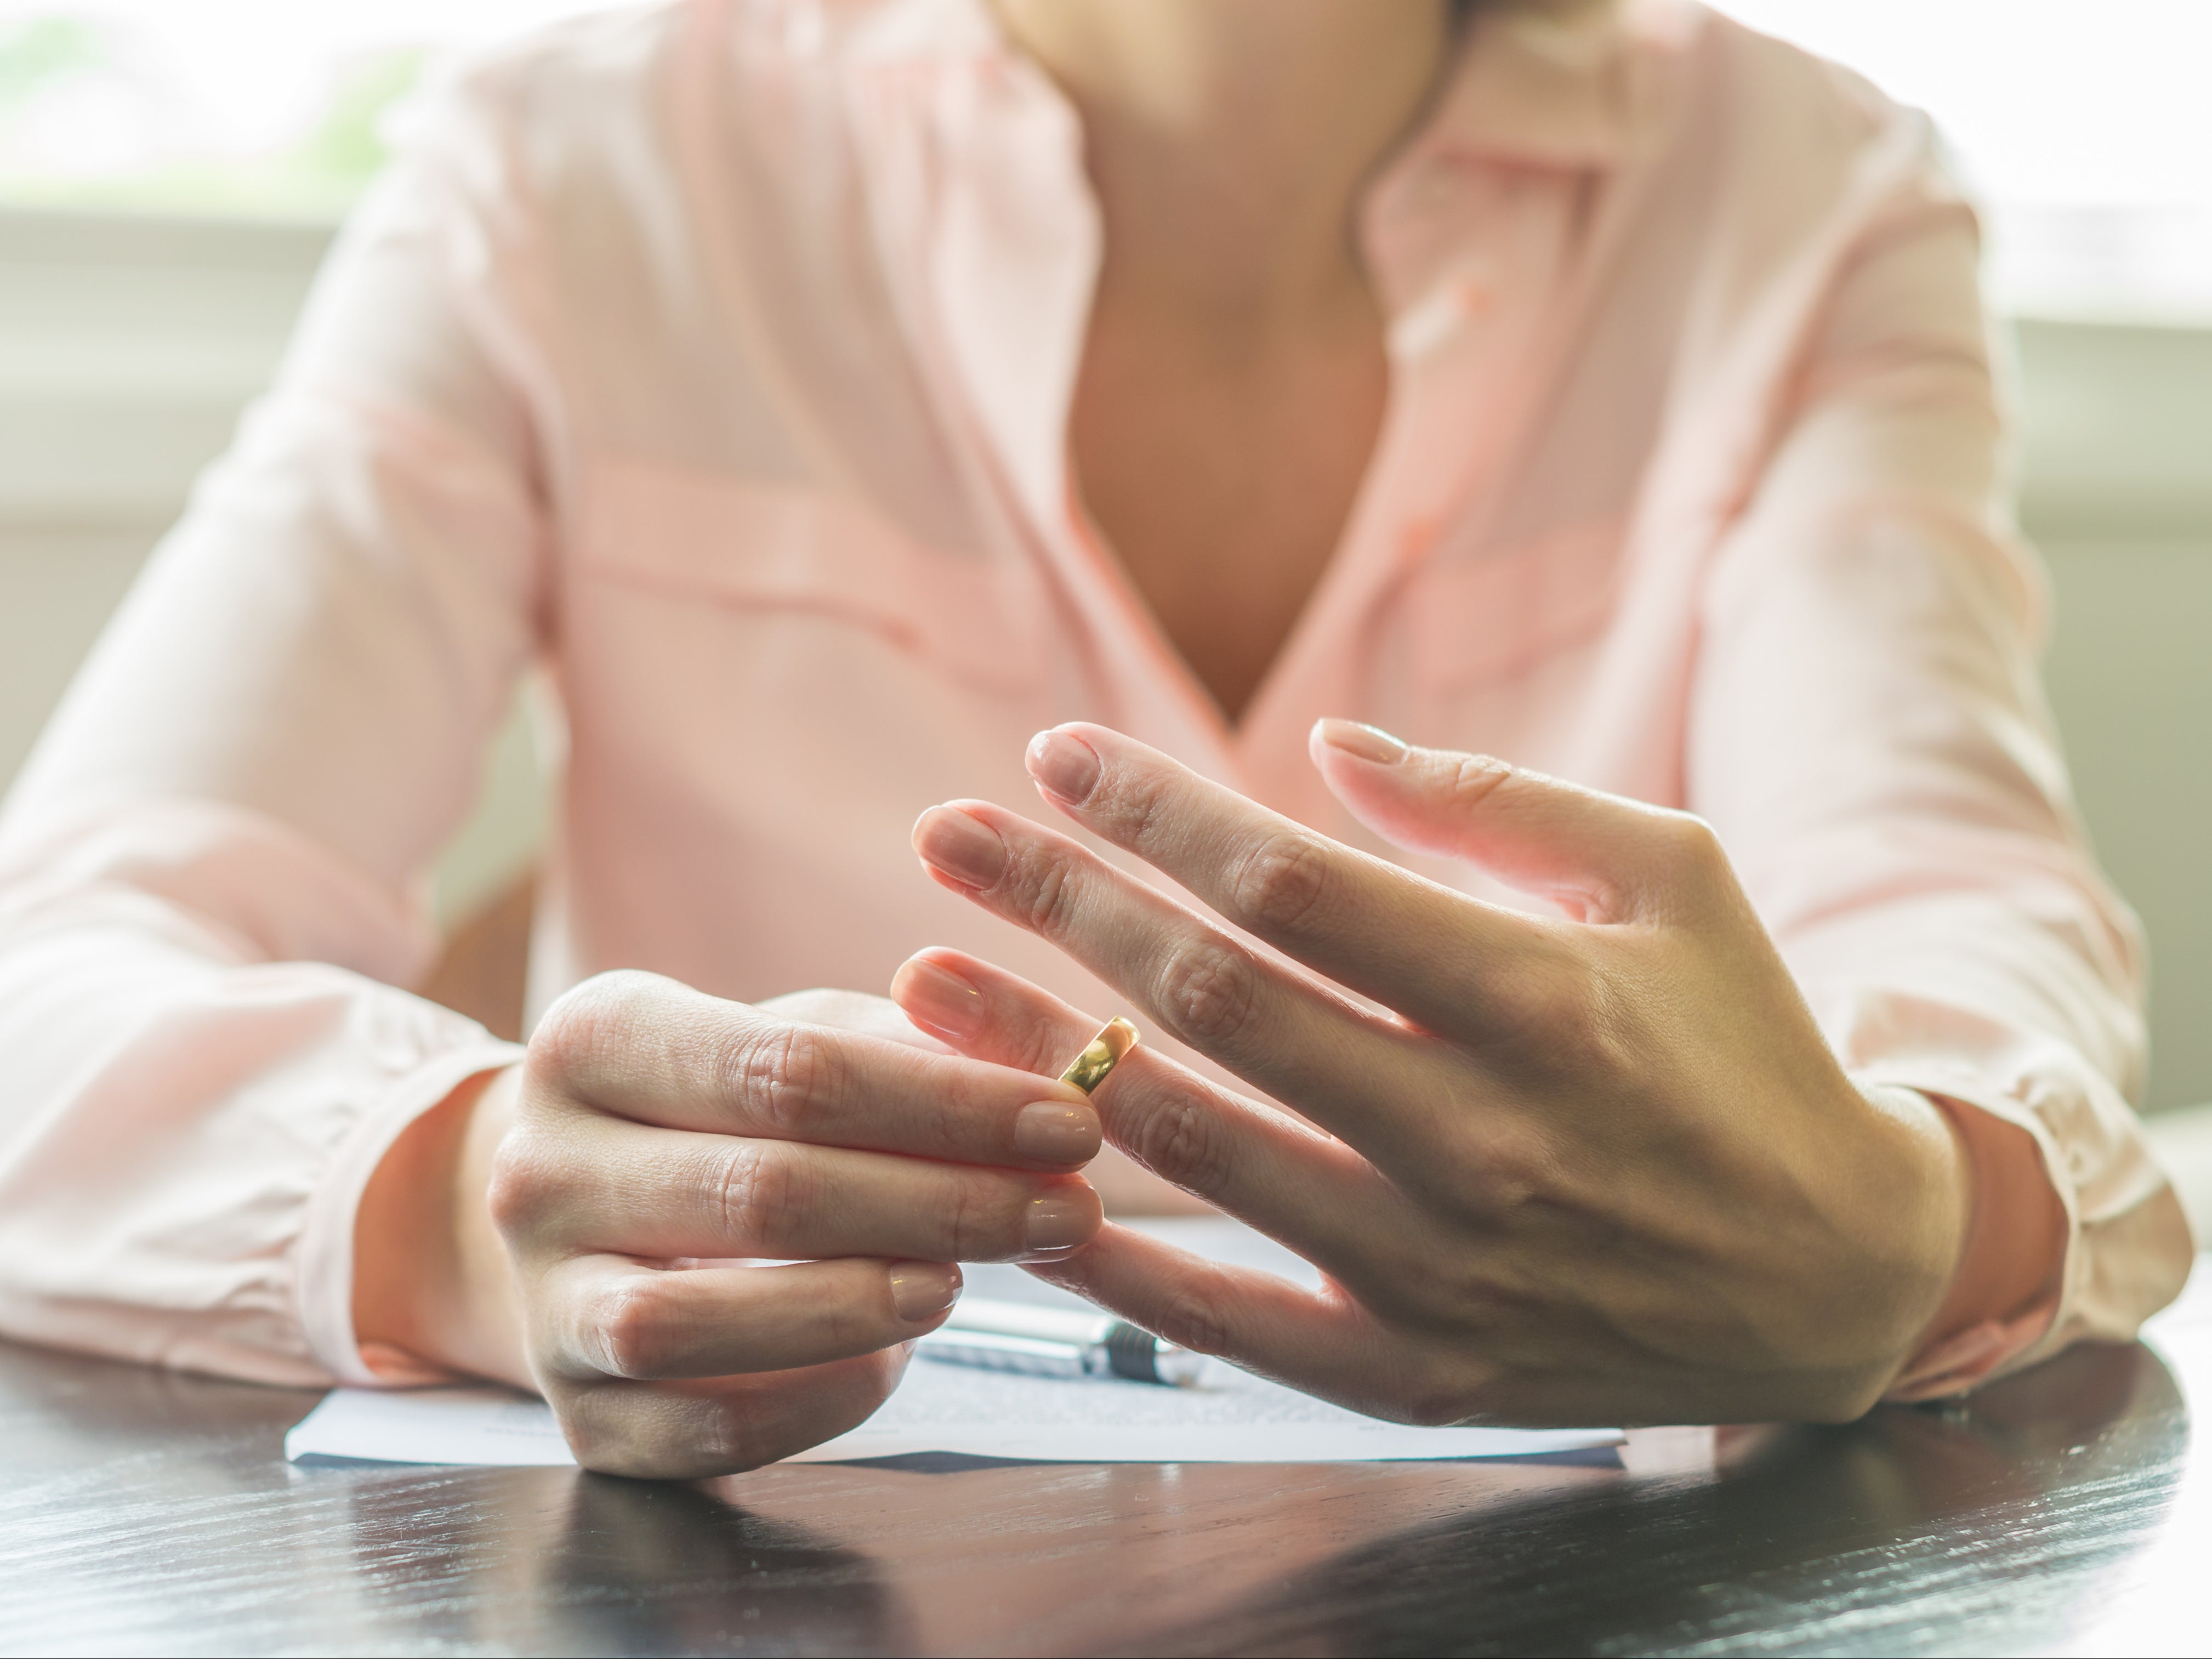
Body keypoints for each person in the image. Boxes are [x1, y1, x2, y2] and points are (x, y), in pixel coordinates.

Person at [0, 0, 2189, 1479]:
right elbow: (51, 984)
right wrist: (469, 1207)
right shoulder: (573, 167)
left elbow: (1960, 923)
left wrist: (1910, 1218)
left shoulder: (1804, 202)